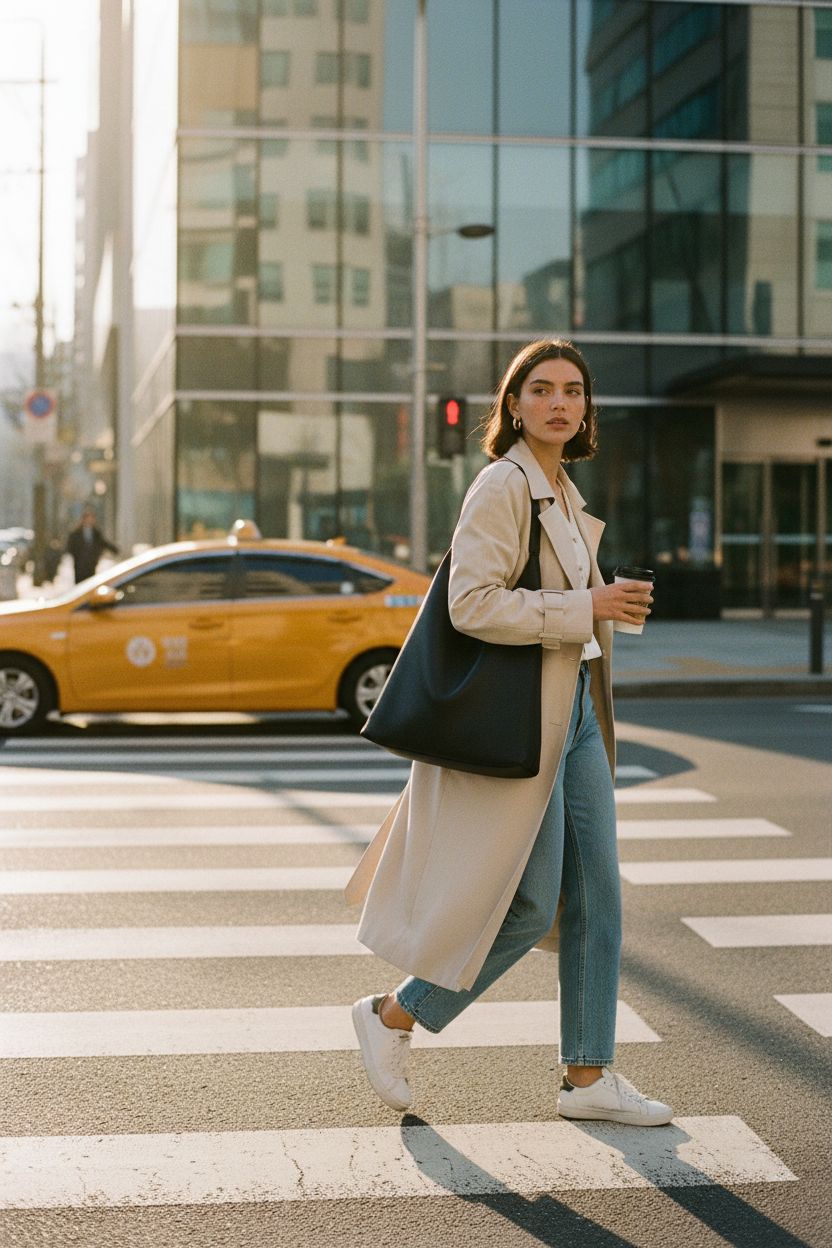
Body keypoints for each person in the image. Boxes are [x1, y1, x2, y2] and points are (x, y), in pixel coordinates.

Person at [346, 338, 673, 1127]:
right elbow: (471, 604)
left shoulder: (561, 490)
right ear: (515, 406)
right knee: (527, 906)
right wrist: (586, 606)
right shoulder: (503, 484)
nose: (560, 403)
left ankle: (589, 1076)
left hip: (576, 712)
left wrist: (604, 603)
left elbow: (561, 603)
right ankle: (394, 1014)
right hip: (526, 720)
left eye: (574, 391)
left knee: (598, 898)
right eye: (542, 389)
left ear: (586, 409)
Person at [66, 508, 118, 584]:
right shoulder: (76, 533)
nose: (89, 520)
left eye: (91, 518)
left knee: (90, 583)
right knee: (80, 585)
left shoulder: (96, 533)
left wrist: (114, 550)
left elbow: (103, 543)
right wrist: (77, 556)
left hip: (91, 564)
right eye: (87, 518)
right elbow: (70, 546)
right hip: (79, 565)